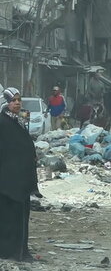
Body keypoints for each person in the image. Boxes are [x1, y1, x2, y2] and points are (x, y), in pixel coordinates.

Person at [0, 87, 42, 262]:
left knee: (20, 217)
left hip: (19, 181)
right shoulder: (2, 123)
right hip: (7, 181)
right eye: (12, 100)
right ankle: (9, 251)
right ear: (5, 102)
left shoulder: (16, 121)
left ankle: (18, 250)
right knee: (8, 218)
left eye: (18, 100)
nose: (16, 103)